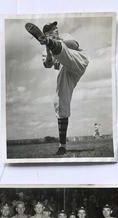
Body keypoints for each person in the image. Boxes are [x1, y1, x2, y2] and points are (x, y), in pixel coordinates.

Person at [25, 21, 89, 155]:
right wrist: (48, 48)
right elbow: (48, 65)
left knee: (64, 52)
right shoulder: (45, 50)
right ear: (46, 33)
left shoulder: (65, 36)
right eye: (52, 30)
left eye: (55, 28)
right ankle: (62, 146)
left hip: (77, 61)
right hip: (64, 72)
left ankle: (52, 43)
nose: (56, 30)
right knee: (59, 103)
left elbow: (74, 45)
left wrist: (52, 40)